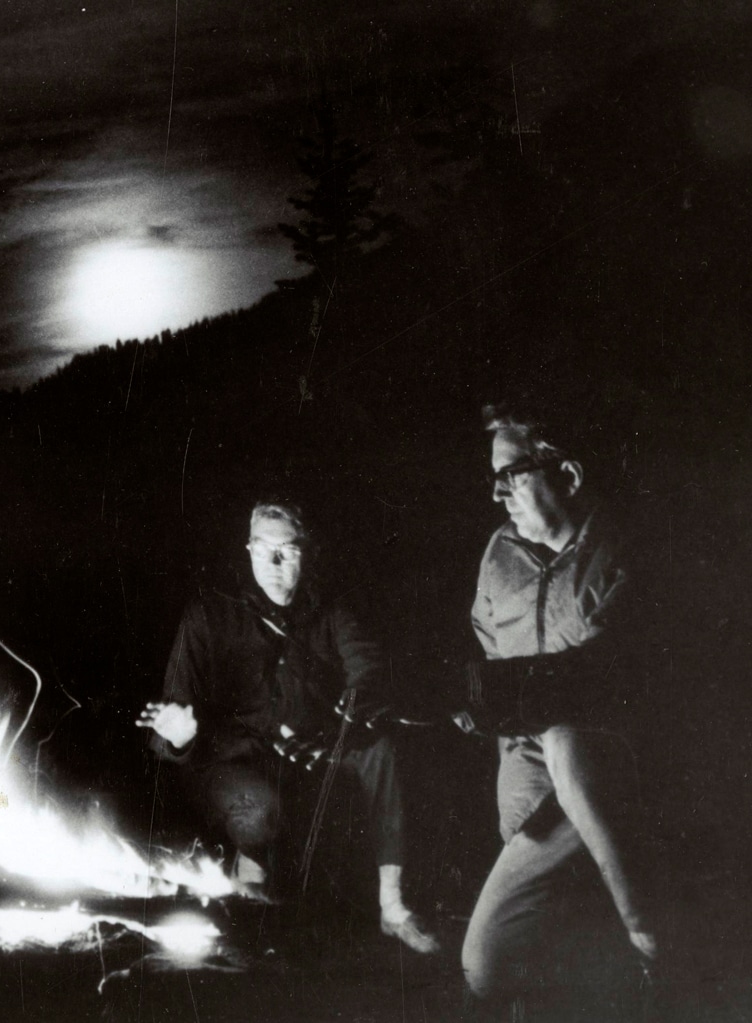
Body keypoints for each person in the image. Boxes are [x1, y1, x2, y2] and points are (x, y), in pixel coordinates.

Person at [138, 501, 439, 954]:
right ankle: (249, 899)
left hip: (310, 749)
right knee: (261, 812)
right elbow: (168, 727)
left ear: (307, 553)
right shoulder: (208, 613)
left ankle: (393, 907)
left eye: (288, 551)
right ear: (248, 550)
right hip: (233, 763)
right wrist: (177, 734)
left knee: (384, 750)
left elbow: (369, 668)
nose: (275, 563)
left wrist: (349, 713)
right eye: (263, 549)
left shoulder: (330, 611)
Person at [454, 399, 659, 1004]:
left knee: (566, 740)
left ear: (565, 476)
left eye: (510, 475)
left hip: (610, 776)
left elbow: (606, 676)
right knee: (498, 968)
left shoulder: (619, 552)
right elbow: (489, 650)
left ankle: (654, 943)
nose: (498, 494)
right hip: (532, 799)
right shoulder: (499, 557)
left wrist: (495, 694)